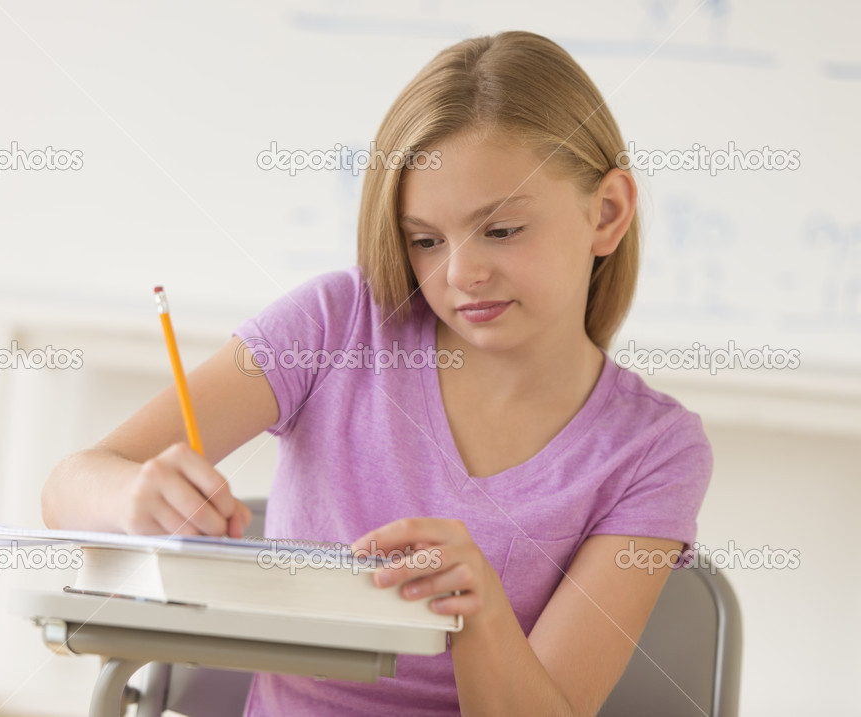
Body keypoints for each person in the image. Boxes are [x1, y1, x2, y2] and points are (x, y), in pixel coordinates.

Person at [42, 30, 711, 716]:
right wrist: (130, 496)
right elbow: (69, 486)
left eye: (502, 229)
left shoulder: (654, 449)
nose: (460, 273)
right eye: (425, 240)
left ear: (607, 214)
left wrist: (479, 614)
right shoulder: (335, 326)